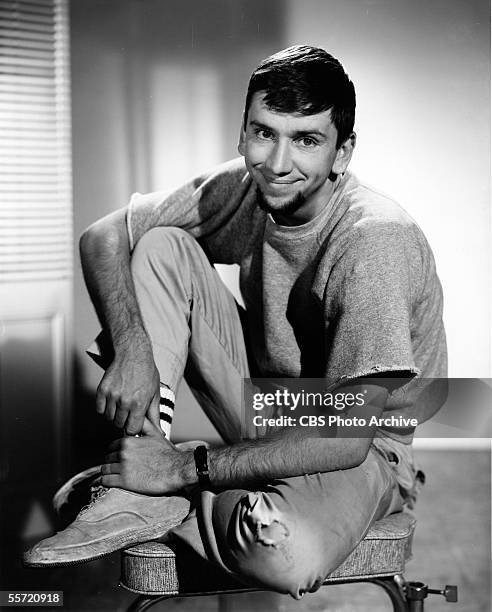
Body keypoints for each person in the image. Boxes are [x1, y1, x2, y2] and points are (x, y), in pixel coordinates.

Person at [24, 45, 447, 599]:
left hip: (364, 441)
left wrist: (182, 470)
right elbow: (103, 237)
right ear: (242, 132)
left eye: (307, 140)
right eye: (263, 133)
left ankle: (156, 480)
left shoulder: (374, 239)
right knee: (160, 245)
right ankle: (135, 487)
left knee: (282, 555)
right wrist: (131, 348)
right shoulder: (249, 186)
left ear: (342, 154)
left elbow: (345, 439)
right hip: (271, 401)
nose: (276, 163)